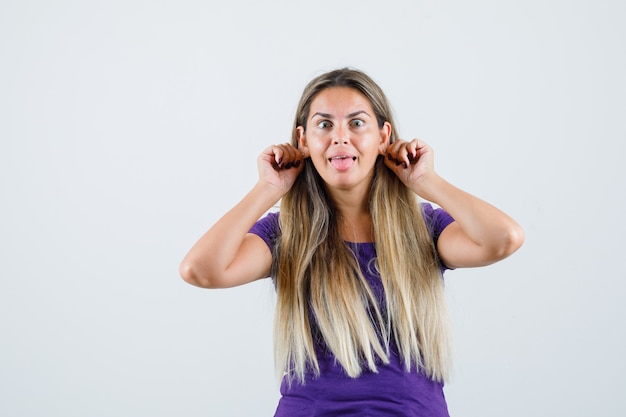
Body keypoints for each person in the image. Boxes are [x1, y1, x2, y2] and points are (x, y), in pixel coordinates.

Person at [179, 68, 524, 416]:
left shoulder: (424, 229)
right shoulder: (286, 233)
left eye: (357, 123)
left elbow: (503, 239)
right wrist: (267, 189)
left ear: (383, 136)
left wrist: (426, 180)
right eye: (324, 125)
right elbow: (201, 270)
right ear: (303, 140)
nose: (340, 138)